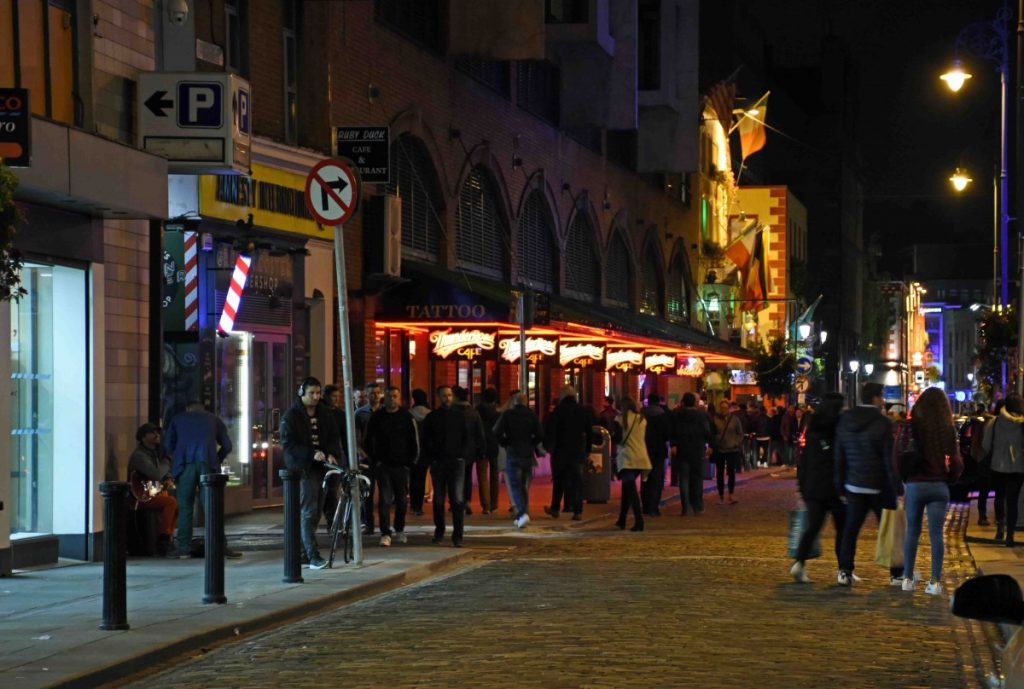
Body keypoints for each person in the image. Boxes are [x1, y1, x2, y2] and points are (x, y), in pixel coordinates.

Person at [899, 387, 963, 595]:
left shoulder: (912, 425)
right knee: (937, 535)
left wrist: (904, 477)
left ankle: (907, 578)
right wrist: (950, 478)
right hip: (938, 485)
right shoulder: (947, 429)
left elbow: (898, 455)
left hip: (916, 484)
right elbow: (956, 462)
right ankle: (934, 581)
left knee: (912, 532)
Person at [834, 382, 898, 586]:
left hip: (853, 484)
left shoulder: (845, 420)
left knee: (850, 531)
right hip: (879, 485)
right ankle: (896, 573)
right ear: (875, 398)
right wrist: (897, 486)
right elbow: (889, 459)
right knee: (889, 530)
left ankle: (844, 571)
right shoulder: (884, 423)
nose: (884, 400)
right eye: (882, 396)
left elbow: (839, 455)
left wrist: (840, 484)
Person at [280, 377, 342, 570]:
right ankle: (312, 554)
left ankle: (304, 553)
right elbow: (288, 444)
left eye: (318, 393)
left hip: (322, 468)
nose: (315, 397)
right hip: (303, 469)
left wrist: (331, 453)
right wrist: (311, 454)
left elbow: (333, 436)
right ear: (302, 393)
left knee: (316, 512)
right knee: (308, 511)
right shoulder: (292, 415)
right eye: (311, 393)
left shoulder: (325, 413)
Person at [164, 400, 235, 559]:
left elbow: (168, 444)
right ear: (203, 409)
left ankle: (184, 548)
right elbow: (228, 446)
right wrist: (217, 458)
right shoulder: (214, 419)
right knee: (212, 507)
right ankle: (218, 546)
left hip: (184, 465)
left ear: (187, 408)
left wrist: (176, 458)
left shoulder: (178, 419)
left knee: (185, 507)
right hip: (208, 463)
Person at [790, 394, 845, 583]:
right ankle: (843, 569)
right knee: (842, 529)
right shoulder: (837, 428)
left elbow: (803, 459)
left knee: (813, 527)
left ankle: (799, 562)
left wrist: (802, 486)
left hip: (813, 486)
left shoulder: (812, 428)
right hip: (833, 487)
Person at [363, 386, 419, 546]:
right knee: (385, 499)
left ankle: (399, 528)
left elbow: (414, 442)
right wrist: (374, 459)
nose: (392, 399)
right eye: (389, 396)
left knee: (401, 500)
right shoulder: (377, 417)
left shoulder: (406, 417)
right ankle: (385, 532)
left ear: (399, 398)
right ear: (384, 398)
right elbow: (367, 440)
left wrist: (411, 462)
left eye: (395, 396)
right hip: (383, 465)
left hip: (401, 465)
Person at [421, 385, 470, 547]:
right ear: (438, 397)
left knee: (457, 500)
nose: (447, 398)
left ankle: (458, 535)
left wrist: (462, 456)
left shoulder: (460, 416)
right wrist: (432, 458)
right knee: (439, 500)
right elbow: (426, 440)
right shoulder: (432, 417)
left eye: (449, 395)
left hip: (456, 462)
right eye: (444, 395)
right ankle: (439, 531)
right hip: (439, 462)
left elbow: (466, 437)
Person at [493, 392, 543, 528]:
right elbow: (540, 434)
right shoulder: (532, 415)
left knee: (515, 485)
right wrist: (531, 443)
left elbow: (496, 432)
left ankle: (522, 513)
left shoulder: (508, 415)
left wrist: (505, 442)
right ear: (526, 402)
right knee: (523, 486)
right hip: (527, 454)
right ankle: (524, 512)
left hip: (513, 452)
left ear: (514, 402)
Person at [544, 386, 593, 521]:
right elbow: (589, 432)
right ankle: (578, 511)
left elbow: (551, 430)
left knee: (559, 480)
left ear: (563, 396)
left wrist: (549, 447)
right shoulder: (582, 411)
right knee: (577, 480)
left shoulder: (558, 411)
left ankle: (555, 508)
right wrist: (588, 449)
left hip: (561, 451)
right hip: (578, 451)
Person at [128, 422, 177, 556]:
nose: (157, 435)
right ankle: (164, 538)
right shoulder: (140, 456)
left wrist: (167, 477)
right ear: (143, 437)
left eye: (157, 432)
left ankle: (167, 535)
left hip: (150, 491)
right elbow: (155, 474)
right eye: (152, 432)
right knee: (171, 502)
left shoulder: (152, 453)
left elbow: (159, 474)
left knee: (172, 501)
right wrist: (167, 462)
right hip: (141, 497)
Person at [982, 394, 1024, 546]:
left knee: (999, 497)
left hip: (997, 466)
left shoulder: (995, 422)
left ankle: (1000, 527)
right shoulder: (1021, 424)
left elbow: (986, 445)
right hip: (1017, 467)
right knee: (1013, 502)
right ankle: (1010, 535)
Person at [612, 396, 651, 531]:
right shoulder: (642, 419)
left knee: (631, 491)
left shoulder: (619, 420)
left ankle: (639, 520)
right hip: (641, 456)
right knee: (627, 489)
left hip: (627, 457)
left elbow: (616, 439)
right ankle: (622, 519)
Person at [671, 392, 713, 515]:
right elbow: (707, 431)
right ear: (695, 402)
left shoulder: (677, 414)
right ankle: (697, 505)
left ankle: (685, 507)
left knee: (684, 479)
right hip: (697, 449)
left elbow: (673, 431)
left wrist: (674, 444)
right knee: (697, 478)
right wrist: (710, 444)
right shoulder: (701, 415)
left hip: (682, 449)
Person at [453, 386, 486, 516]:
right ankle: (466, 500)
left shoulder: (453, 412)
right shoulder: (473, 412)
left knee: (455, 477)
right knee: (467, 476)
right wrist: (481, 449)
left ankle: (457, 500)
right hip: (470, 450)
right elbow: (480, 432)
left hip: (455, 450)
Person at [355, 382, 384, 534]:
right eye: (371, 393)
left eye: (377, 393)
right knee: (367, 493)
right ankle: (369, 524)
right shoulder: (360, 414)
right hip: (367, 458)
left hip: (384, 458)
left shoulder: (385, 412)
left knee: (385, 494)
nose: (374, 396)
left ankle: (384, 526)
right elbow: (356, 438)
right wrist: (362, 455)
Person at [321, 384, 350, 529]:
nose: (337, 399)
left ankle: (331, 518)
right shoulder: (320, 412)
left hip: (336, 457)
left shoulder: (340, 414)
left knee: (333, 490)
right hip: (321, 457)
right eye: (334, 396)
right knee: (323, 491)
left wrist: (348, 457)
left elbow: (345, 438)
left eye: (338, 396)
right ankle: (328, 515)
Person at [641, 393, 672, 516]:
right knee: (657, 479)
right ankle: (654, 506)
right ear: (659, 401)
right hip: (659, 450)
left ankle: (645, 505)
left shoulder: (642, 415)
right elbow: (667, 434)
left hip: (644, 448)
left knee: (645, 478)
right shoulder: (663, 416)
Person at [711, 399, 744, 505]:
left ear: (729, 408)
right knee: (719, 473)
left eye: (725, 408)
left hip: (732, 449)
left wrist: (736, 443)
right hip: (720, 449)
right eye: (722, 408)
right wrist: (714, 442)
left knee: (731, 471)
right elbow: (711, 433)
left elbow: (740, 433)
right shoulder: (715, 419)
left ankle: (731, 493)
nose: (723, 410)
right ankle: (721, 495)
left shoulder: (735, 419)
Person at [476, 388, 502, 515]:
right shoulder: (497, 413)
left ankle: (485, 506)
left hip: (481, 445)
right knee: (494, 475)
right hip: (494, 445)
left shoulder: (477, 412)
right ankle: (494, 504)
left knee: (482, 476)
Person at [409, 388, 433, 515]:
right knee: (422, 477)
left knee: (413, 479)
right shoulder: (430, 414)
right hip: (425, 451)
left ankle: (414, 504)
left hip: (412, 451)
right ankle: (419, 505)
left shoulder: (409, 414)